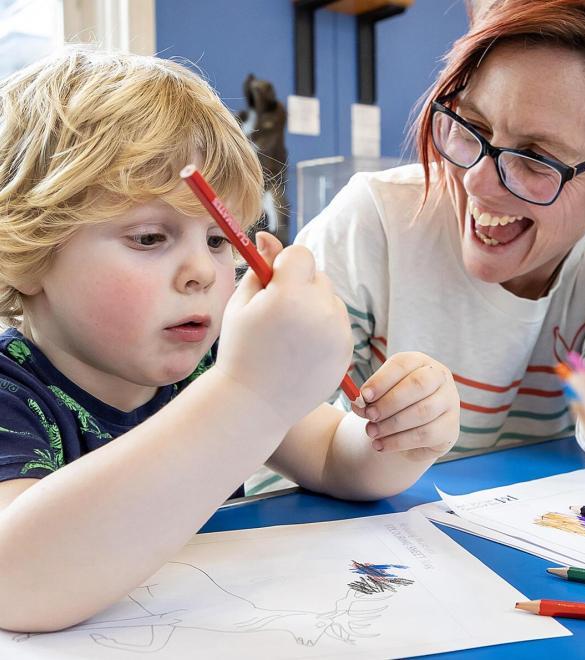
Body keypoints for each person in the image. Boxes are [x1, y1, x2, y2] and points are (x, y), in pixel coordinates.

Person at [0, 48, 460, 633]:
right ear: (26, 255)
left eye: (219, 241)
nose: (200, 270)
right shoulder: (11, 394)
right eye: (148, 237)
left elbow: (331, 459)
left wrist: (400, 436)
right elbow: (16, 583)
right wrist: (250, 393)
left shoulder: (210, 362)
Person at [297, 0, 585, 478]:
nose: (476, 182)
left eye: (536, 159)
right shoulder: (373, 224)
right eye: (473, 127)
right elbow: (273, 440)